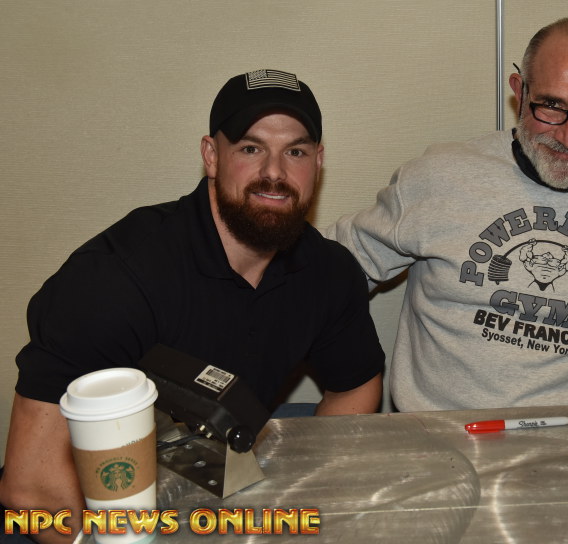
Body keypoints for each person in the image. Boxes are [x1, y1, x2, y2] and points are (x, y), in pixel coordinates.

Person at [0, 69, 385, 542]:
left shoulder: (328, 272)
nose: (275, 173)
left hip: (220, 481)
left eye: (296, 152)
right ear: (211, 155)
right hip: (88, 508)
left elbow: (355, 386)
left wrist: (303, 494)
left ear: (318, 162)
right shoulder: (114, 280)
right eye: (250, 148)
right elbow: (30, 486)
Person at [327, 17, 568, 411]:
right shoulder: (438, 177)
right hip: (441, 437)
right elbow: (325, 274)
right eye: (551, 106)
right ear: (519, 91)